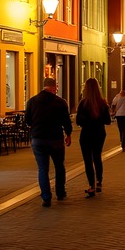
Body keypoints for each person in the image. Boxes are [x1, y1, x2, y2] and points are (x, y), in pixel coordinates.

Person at [25, 78, 72, 207]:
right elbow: (66, 121)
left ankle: (46, 197)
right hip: (55, 139)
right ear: (53, 87)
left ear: (44, 86)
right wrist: (68, 134)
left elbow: (27, 120)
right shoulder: (60, 102)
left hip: (38, 139)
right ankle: (60, 192)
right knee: (59, 166)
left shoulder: (32, 101)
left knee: (42, 169)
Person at [75, 78, 111, 197]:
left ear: (86, 88)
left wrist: (86, 121)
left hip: (86, 134)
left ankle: (91, 185)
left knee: (88, 160)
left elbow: (78, 121)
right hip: (99, 133)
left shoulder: (83, 103)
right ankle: (99, 181)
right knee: (97, 157)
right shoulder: (103, 103)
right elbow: (108, 121)